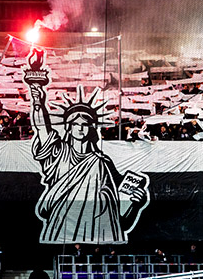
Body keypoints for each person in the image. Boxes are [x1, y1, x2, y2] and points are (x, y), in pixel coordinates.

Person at [29, 80, 149, 243]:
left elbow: (120, 220)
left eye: (84, 124)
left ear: (91, 127)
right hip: (60, 230)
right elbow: (42, 128)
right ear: (68, 127)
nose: (80, 128)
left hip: (98, 234)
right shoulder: (59, 153)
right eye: (75, 123)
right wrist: (38, 102)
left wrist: (136, 205)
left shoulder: (103, 163)